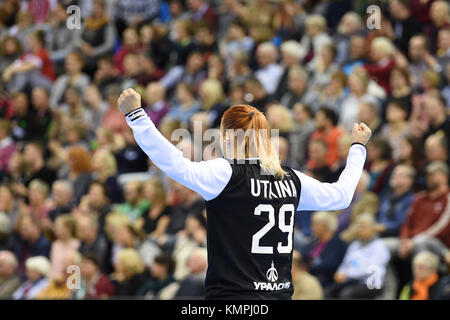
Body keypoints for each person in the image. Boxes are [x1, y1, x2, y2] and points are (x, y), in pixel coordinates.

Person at [117, 87, 370, 299]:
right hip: (279, 294)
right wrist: (357, 148)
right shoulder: (291, 178)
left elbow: (175, 164)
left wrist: (137, 116)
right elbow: (342, 195)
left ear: (228, 136)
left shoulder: (225, 174)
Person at [326, 214, 390, 299]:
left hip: (370, 283)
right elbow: (345, 264)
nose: (360, 229)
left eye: (363, 227)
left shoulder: (379, 246)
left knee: (346, 294)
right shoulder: (354, 245)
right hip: (352, 281)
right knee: (329, 291)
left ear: (372, 228)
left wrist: (347, 275)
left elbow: (371, 269)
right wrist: (340, 273)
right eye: (358, 226)